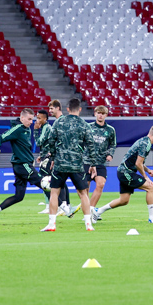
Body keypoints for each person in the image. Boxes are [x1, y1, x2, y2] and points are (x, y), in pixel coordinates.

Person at [37, 98, 96, 232]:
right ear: (80, 109)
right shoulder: (84, 125)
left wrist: (53, 156)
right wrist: (93, 164)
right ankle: (88, 224)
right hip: (77, 165)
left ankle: (52, 224)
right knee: (83, 194)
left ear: (67, 109)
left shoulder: (59, 122)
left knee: (54, 193)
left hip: (60, 164)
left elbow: (51, 141)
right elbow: (91, 146)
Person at [92, 125, 153, 223]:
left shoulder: (143, 141)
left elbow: (138, 161)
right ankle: (152, 218)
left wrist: (147, 170)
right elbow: (138, 163)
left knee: (124, 200)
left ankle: (97, 211)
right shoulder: (146, 144)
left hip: (123, 171)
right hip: (126, 172)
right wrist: (145, 177)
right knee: (151, 187)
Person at [0, 108, 43, 223]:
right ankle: (66, 208)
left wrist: (31, 160)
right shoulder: (17, 129)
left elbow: (24, 147)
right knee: (45, 184)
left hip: (24, 164)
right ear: (22, 118)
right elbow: (0, 138)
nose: (31, 122)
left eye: (32, 119)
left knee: (19, 196)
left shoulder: (26, 130)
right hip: (22, 164)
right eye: (29, 119)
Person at [85, 105, 117, 211]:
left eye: (103, 113)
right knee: (85, 188)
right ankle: (86, 210)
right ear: (95, 114)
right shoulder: (88, 127)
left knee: (101, 184)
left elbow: (113, 144)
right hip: (87, 161)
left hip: (100, 162)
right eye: (98, 113)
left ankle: (91, 209)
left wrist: (110, 154)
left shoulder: (110, 130)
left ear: (106, 115)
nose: (100, 115)